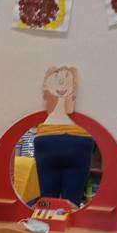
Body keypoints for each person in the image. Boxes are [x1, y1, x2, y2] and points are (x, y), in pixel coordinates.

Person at [33, 66, 96, 206]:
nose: (62, 85)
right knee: (72, 201)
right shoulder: (84, 99)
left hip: (47, 139)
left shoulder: (46, 104)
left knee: (48, 200)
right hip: (79, 140)